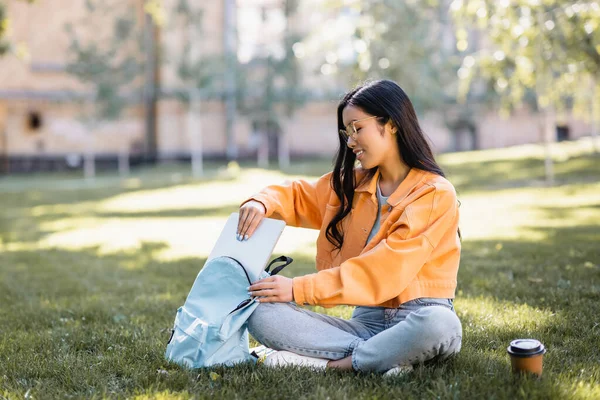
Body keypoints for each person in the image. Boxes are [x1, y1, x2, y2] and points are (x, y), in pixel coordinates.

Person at [236, 79, 462, 376]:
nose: (351, 141)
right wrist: (262, 202)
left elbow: (385, 271)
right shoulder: (351, 184)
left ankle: (334, 366)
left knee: (440, 324)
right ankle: (390, 358)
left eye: (357, 128)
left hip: (419, 315)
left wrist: (297, 289)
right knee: (260, 312)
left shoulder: (435, 193)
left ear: (391, 124)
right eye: (347, 132)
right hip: (365, 324)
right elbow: (298, 195)